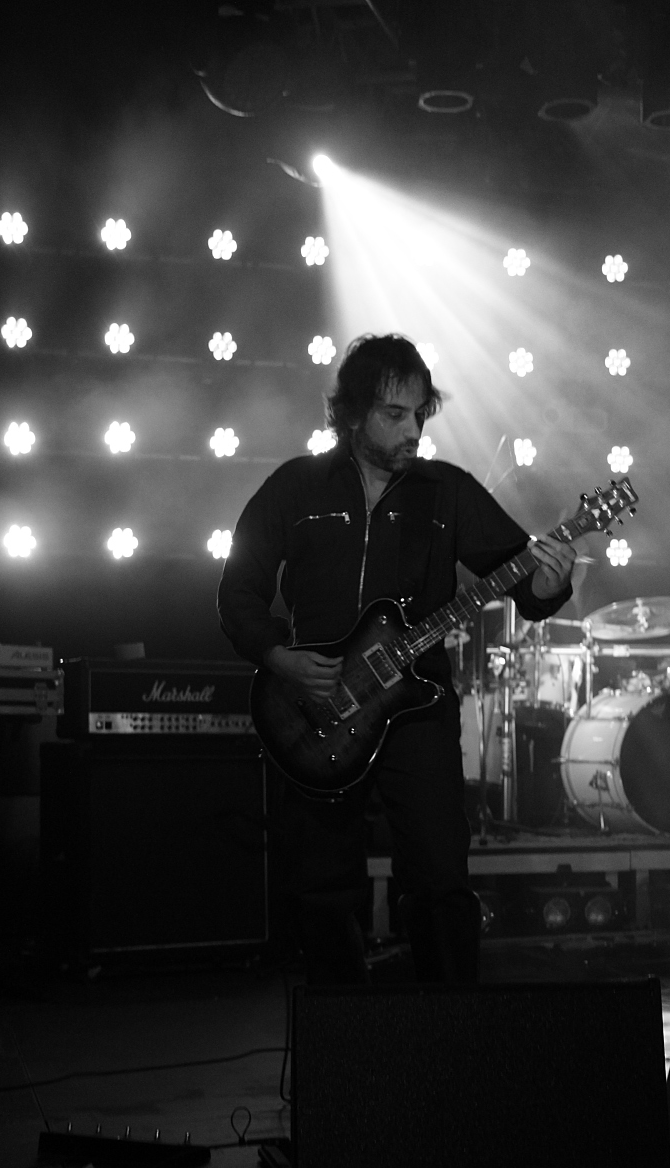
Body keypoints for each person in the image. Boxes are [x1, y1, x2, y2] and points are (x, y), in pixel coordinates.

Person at [218, 334, 575, 984]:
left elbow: (523, 582)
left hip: (417, 710)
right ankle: (342, 1035)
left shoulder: (446, 492)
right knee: (323, 889)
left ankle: (449, 1030)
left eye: (419, 414)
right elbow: (238, 589)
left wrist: (549, 584)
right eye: (394, 414)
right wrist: (279, 657)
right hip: (316, 708)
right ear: (353, 413)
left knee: (440, 878)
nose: (413, 430)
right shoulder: (297, 486)